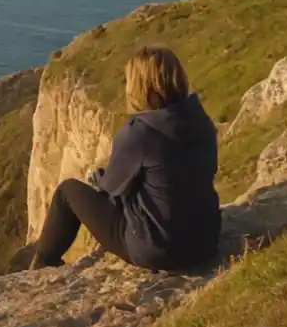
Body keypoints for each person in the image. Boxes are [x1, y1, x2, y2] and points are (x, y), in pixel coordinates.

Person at [27, 45, 220, 271]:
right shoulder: (202, 122)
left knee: (67, 192)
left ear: (139, 87)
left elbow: (111, 189)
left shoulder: (139, 133)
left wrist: (99, 178)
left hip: (161, 251)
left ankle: (43, 263)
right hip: (206, 240)